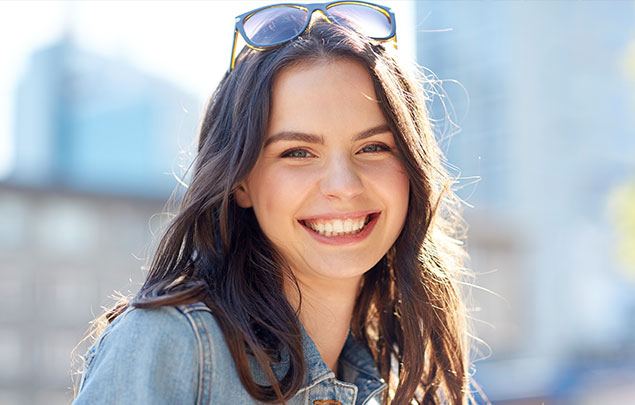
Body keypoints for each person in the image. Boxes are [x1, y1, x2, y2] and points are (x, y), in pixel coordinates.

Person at [72, 1, 488, 404]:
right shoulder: (174, 345)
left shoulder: (403, 383)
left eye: (374, 147)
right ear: (240, 181)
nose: (343, 186)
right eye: (298, 153)